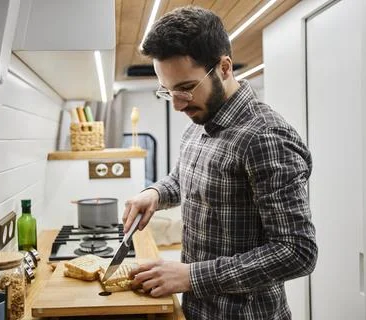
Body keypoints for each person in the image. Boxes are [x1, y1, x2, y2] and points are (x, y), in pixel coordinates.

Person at [122, 5, 317, 320]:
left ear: (224, 67)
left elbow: (297, 252)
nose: (177, 105)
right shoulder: (199, 121)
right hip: (198, 310)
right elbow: (184, 179)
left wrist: (191, 276)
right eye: (168, 92)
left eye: (186, 88)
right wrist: (155, 193)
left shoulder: (264, 137)